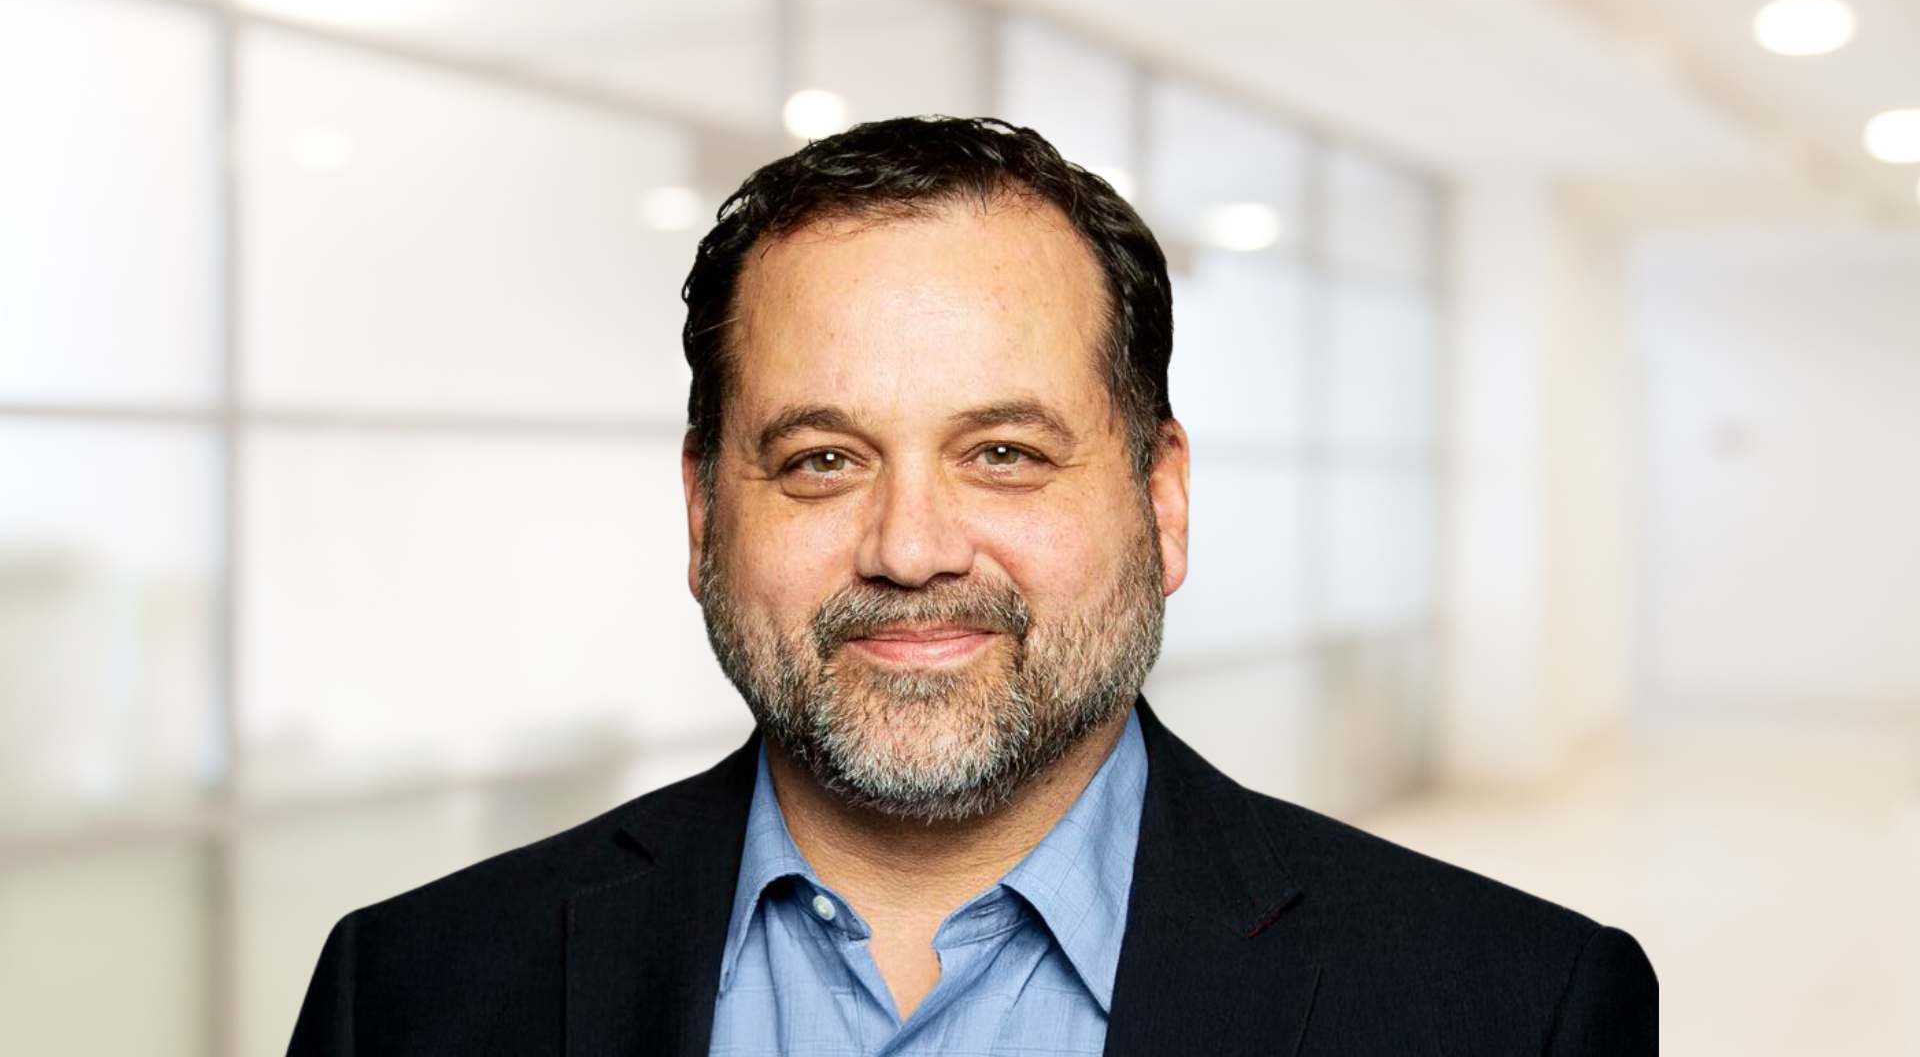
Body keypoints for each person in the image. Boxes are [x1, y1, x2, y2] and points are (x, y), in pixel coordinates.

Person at [287, 116, 1656, 1056]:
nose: (913, 546)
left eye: (1004, 453)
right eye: (822, 459)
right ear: (706, 513)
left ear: (1162, 502)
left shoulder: (1509, 1009)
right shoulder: (411, 994)